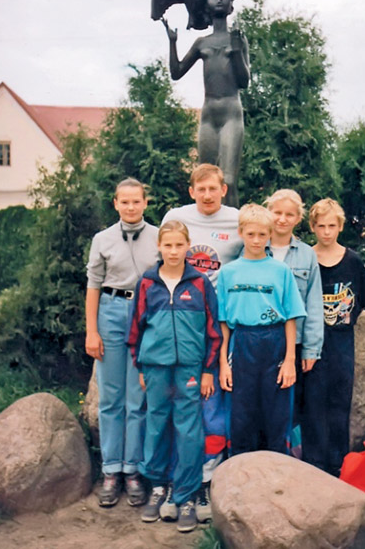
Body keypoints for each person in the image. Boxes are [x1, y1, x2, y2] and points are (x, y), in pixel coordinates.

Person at [127, 220, 222, 533]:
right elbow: (134, 330)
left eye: (178, 245)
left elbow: (213, 330)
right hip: (155, 367)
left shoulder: (199, 284)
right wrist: (140, 367)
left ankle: (185, 495)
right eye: (167, 245)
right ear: (159, 246)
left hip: (191, 369)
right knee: (155, 424)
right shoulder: (147, 284)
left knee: (189, 429)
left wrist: (208, 370)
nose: (172, 251)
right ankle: (157, 487)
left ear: (187, 246)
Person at [160, 162, 242, 522]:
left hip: (221, 327)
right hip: (182, 325)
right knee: (181, 404)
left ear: (224, 189)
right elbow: (161, 267)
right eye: (201, 189)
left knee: (214, 402)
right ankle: (177, 479)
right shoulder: (176, 217)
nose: (208, 195)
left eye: (214, 188)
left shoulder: (238, 222)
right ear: (191, 192)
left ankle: (209, 478)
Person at [85, 178, 159, 507]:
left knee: (137, 399)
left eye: (136, 201)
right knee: (111, 398)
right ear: (115, 203)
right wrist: (92, 330)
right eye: (124, 202)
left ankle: (133, 471)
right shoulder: (102, 239)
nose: (130, 207)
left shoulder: (159, 237)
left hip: (145, 312)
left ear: (145, 203)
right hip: (111, 312)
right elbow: (93, 286)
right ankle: (111, 471)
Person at [217, 204, 306, 455]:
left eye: (262, 235)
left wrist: (290, 361)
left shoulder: (280, 271)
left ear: (269, 234)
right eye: (250, 234)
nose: (256, 240)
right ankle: (241, 475)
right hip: (242, 341)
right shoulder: (228, 272)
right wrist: (223, 363)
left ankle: (276, 475)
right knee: (241, 414)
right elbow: (223, 322)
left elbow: (290, 317)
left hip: (274, 341)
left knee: (276, 413)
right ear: (241, 232)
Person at [162, 0, 250, 208]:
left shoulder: (238, 39)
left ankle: (234, 231)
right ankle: (204, 230)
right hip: (209, 115)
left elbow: (244, 81)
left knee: (227, 180)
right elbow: (176, 72)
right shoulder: (202, 43)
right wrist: (173, 43)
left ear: (231, 6)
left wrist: (237, 50)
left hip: (231, 113)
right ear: (207, 5)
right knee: (204, 180)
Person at [309, 198, 365, 476]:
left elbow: (362, 301)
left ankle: (338, 465)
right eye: (321, 226)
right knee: (312, 405)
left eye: (331, 226)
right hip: (311, 343)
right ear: (312, 227)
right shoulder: (306, 258)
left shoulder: (353, 261)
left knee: (339, 404)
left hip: (341, 343)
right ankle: (314, 465)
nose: (326, 232)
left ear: (340, 227)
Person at [264, 189, 324, 459]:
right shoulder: (253, 246)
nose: (282, 219)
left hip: (294, 343)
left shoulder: (306, 256)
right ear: (268, 213)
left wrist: (311, 348)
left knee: (290, 405)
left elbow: (313, 303)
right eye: (277, 212)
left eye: (289, 214)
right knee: (260, 401)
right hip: (258, 339)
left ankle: (289, 458)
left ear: (298, 218)